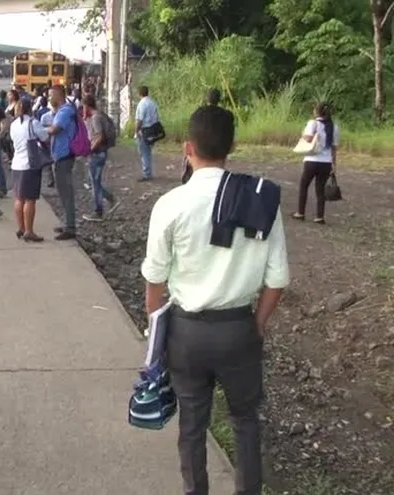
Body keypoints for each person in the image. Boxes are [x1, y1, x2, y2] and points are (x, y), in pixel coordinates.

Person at [141, 106, 289, 495]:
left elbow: (154, 281)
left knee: (191, 424)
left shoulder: (170, 205)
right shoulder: (261, 201)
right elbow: (277, 280)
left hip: (187, 334)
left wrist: (156, 330)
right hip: (239, 329)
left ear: (187, 147)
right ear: (232, 147)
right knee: (246, 422)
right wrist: (256, 324)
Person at [293, 102, 339, 224]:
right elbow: (334, 148)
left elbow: (307, 138)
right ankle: (319, 216)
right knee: (320, 189)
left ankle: (300, 212)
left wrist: (303, 134)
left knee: (304, 185)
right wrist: (334, 164)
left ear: (317, 111)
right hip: (326, 162)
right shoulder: (334, 127)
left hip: (312, 160)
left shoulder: (313, 123)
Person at [8, 98, 46, 242]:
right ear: (30, 108)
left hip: (16, 164)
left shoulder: (13, 125)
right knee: (30, 200)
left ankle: (21, 228)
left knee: (19, 198)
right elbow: (45, 137)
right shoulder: (33, 123)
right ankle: (29, 231)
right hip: (30, 165)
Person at [46, 84, 78, 240]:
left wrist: (40, 129)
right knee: (63, 191)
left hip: (64, 156)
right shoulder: (62, 111)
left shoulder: (64, 112)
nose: (48, 98)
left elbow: (54, 130)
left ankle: (70, 227)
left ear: (59, 96)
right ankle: (67, 224)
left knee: (66, 192)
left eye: (51, 95)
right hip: (61, 156)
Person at [81, 94, 119, 222]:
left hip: (97, 153)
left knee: (95, 184)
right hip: (100, 152)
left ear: (86, 106)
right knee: (94, 182)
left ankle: (99, 211)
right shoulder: (99, 115)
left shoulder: (96, 118)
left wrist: (89, 150)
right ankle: (111, 200)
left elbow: (100, 136)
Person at [182, 89, 225, 184]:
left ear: (207, 98)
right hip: (218, 146)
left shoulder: (199, 114)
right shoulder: (224, 116)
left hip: (200, 146)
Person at [134, 85, 160, 181]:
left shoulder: (141, 104)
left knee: (144, 152)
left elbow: (139, 120)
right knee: (148, 152)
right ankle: (148, 172)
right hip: (152, 130)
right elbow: (156, 117)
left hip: (144, 131)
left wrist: (136, 131)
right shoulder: (153, 103)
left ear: (139, 94)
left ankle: (147, 174)